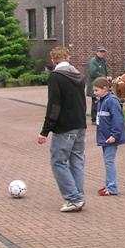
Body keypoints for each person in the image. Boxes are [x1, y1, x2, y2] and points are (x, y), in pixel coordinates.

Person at [37, 46, 87, 212]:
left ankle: (73, 198)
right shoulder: (79, 76)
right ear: (68, 58)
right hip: (80, 124)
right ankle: (79, 196)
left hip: (65, 127)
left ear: (53, 60)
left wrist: (45, 131)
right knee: (77, 162)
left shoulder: (56, 77)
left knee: (58, 162)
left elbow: (54, 106)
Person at [93, 77, 125, 196]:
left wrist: (114, 135)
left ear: (104, 89)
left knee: (109, 161)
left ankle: (112, 187)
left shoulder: (111, 101)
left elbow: (118, 119)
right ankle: (108, 185)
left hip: (110, 138)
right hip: (105, 137)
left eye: (96, 90)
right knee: (108, 161)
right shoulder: (102, 101)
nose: (95, 93)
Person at [86, 45, 109, 124]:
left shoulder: (103, 61)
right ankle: (94, 119)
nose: (103, 53)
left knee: (101, 101)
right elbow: (93, 73)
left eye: (103, 52)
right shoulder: (93, 61)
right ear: (97, 52)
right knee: (95, 102)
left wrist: (108, 75)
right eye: (101, 52)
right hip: (95, 86)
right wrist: (104, 76)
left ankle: (99, 117)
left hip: (101, 85)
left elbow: (106, 70)